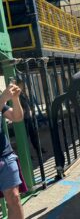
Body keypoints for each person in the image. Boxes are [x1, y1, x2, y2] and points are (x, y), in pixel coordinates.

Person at [0, 82, 25, 219]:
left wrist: (15, 99)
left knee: (14, 199)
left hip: (5, 155)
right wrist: (3, 98)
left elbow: (17, 117)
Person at [16, 79, 45, 156]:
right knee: (25, 137)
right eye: (21, 85)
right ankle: (27, 154)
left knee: (33, 135)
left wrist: (30, 110)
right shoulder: (16, 95)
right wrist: (23, 110)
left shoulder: (22, 93)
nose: (22, 86)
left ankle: (39, 150)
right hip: (23, 118)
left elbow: (27, 103)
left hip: (28, 117)